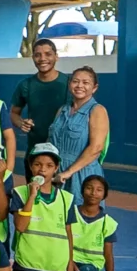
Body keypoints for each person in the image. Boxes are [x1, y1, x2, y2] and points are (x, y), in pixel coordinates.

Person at [6, 143, 76, 271]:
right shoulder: (20, 194)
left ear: (56, 169)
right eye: (37, 164)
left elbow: (68, 234)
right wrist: (32, 196)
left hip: (54, 269)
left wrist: (69, 266)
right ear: (30, 166)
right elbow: (20, 226)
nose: (42, 170)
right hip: (27, 267)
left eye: (48, 166)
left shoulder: (66, 199)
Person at [51, 66, 110, 200]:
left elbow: (96, 148)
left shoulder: (97, 111)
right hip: (58, 174)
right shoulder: (62, 110)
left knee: (79, 216)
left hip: (82, 174)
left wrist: (68, 172)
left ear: (94, 88)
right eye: (75, 81)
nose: (79, 86)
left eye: (85, 82)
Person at [9, 38, 71, 161]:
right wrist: (21, 123)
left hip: (64, 151)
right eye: (38, 55)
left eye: (48, 54)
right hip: (35, 150)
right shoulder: (26, 85)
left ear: (56, 56)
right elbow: (13, 113)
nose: (43, 59)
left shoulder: (69, 83)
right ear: (33, 58)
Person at [71, 174, 120, 271]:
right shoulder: (70, 212)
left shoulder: (107, 222)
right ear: (82, 191)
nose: (93, 193)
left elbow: (108, 256)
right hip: (67, 260)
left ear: (104, 195)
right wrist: (69, 262)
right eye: (89, 188)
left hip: (90, 265)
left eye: (99, 190)